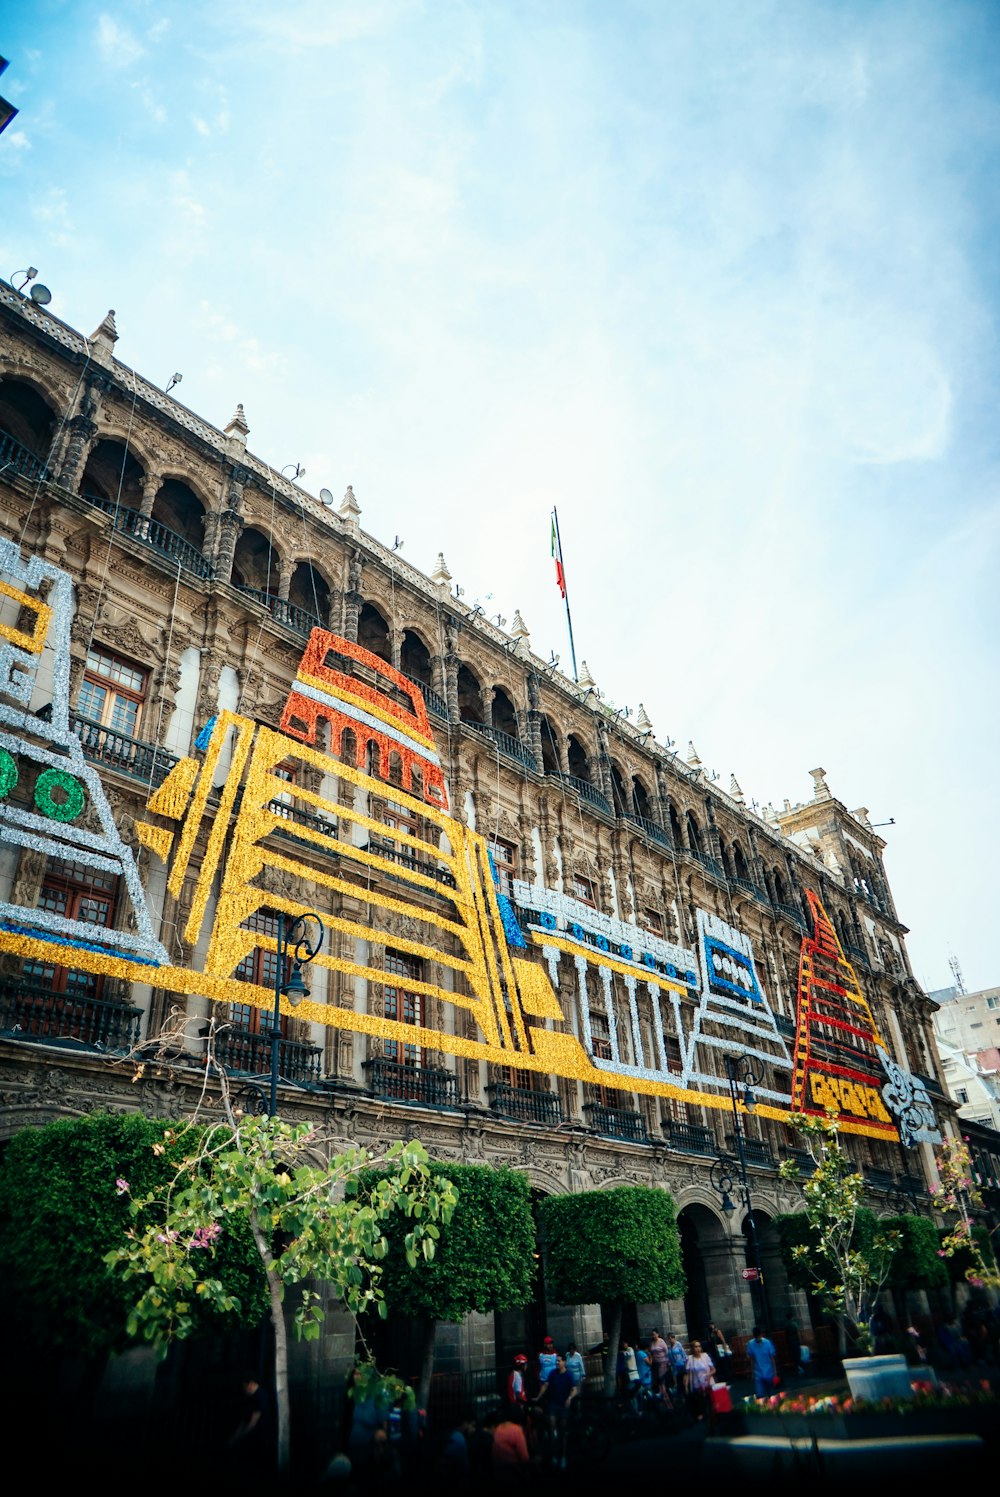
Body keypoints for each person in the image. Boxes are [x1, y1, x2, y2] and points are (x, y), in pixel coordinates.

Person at [534, 1350, 578, 1468]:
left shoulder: (568, 1375)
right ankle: (554, 1455)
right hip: (553, 1404)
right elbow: (545, 1385)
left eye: (559, 1361)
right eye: (556, 1361)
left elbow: (574, 1389)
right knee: (552, 1427)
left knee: (563, 1431)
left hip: (562, 1405)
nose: (557, 1363)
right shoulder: (553, 1373)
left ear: (564, 1362)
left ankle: (563, 1456)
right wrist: (538, 1397)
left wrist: (569, 1398)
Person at [227, 1371, 270, 1471]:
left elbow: (252, 1423)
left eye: (244, 1387)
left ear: (251, 1384)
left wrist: (235, 1439)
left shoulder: (260, 1396)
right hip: (255, 1437)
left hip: (261, 1438)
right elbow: (245, 1421)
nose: (243, 1390)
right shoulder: (253, 1397)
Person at [684, 1339, 716, 1422]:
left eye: (699, 1346)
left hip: (708, 1383)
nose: (697, 1348)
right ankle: (703, 1416)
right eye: (695, 1347)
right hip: (697, 1384)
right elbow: (687, 1374)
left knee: (710, 1403)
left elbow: (713, 1369)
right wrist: (686, 1386)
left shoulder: (705, 1356)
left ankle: (711, 1417)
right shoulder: (690, 1359)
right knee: (701, 1403)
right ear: (692, 1348)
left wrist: (709, 1374)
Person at [746, 1325, 780, 1399]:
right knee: (760, 1394)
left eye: (759, 1337)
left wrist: (775, 1373)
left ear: (761, 1335)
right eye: (756, 1338)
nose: (758, 1339)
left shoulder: (767, 1343)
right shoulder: (751, 1344)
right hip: (758, 1373)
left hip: (769, 1372)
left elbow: (772, 1359)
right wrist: (752, 1372)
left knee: (771, 1394)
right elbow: (751, 1359)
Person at [506, 1352, 529, 1421]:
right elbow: (518, 1395)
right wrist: (526, 1404)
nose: (526, 1366)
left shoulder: (513, 1374)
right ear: (521, 1366)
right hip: (518, 1406)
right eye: (525, 1364)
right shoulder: (517, 1376)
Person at [666, 1331, 688, 1403]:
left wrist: (685, 1364)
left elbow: (683, 1354)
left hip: (681, 1365)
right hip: (674, 1367)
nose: (669, 1340)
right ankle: (680, 1398)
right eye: (668, 1339)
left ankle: (686, 1396)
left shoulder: (678, 1344)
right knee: (677, 1383)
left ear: (673, 1338)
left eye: (670, 1338)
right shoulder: (669, 1348)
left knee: (683, 1382)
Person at [649, 1329, 670, 1399]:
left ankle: (664, 1394)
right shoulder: (652, 1343)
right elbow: (651, 1352)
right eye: (652, 1335)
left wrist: (667, 1361)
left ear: (657, 1334)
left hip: (662, 1362)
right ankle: (661, 1392)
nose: (654, 1336)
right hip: (655, 1363)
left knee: (661, 1378)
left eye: (655, 1334)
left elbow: (666, 1351)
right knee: (657, 1378)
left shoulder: (661, 1341)